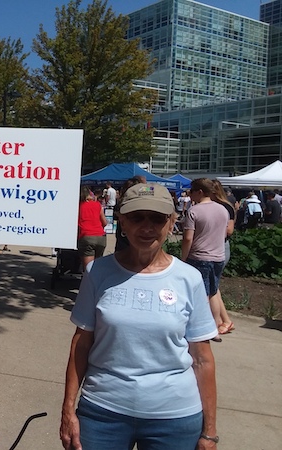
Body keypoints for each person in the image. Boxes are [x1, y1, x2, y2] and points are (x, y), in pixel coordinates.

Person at [60, 183, 218, 450]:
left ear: (171, 223)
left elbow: (202, 359)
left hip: (174, 418)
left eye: (157, 218)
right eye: (137, 217)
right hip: (102, 411)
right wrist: (68, 410)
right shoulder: (98, 272)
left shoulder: (188, 278)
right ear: (122, 221)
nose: (147, 227)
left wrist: (210, 432)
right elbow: (81, 344)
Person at [182, 178, 229, 343]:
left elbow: (188, 238)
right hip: (218, 256)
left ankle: (198, 326)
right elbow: (224, 233)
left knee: (200, 295)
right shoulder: (223, 210)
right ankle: (215, 327)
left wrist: (183, 258)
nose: (190, 194)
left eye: (192, 191)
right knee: (213, 292)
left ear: (199, 192)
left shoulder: (194, 211)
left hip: (199, 256)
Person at [209, 180, 236, 335]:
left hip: (219, 247)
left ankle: (223, 320)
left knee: (213, 286)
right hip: (217, 247)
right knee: (214, 286)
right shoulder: (224, 206)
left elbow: (229, 230)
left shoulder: (224, 207)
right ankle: (223, 320)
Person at [77, 186, 107, 272]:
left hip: (86, 236)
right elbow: (104, 222)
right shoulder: (97, 204)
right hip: (101, 237)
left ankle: (88, 284)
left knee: (89, 271)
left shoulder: (78, 206)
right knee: (96, 268)